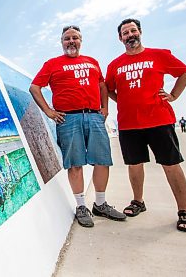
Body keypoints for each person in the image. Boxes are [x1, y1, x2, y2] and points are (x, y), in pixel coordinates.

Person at [105, 18, 186, 232]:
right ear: (120, 38)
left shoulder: (159, 55)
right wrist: (124, 101)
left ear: (140, 32)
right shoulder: (115, 65)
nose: (130, 35)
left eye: (133, 30)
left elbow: (184, 72)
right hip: (129, 124)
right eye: (125, 33)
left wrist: (173, 94)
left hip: (159, 120)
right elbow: (109, 88)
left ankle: (184, 210)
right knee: (134, 165)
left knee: (171, 164)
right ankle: (138, 201)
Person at [30, 25, 126, 228]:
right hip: (69, 119)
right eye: (67, 38)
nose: (71, 41)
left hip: (93, 116)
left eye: (75, 37)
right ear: (62, 42)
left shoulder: (92, 62)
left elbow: (102, 85)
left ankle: (100, 204)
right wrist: (49, 111)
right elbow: (35, 87)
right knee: (75, 163)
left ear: (80, 40)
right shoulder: (52, 64)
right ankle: (81, 206)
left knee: (102, 160)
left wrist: (105, 108)